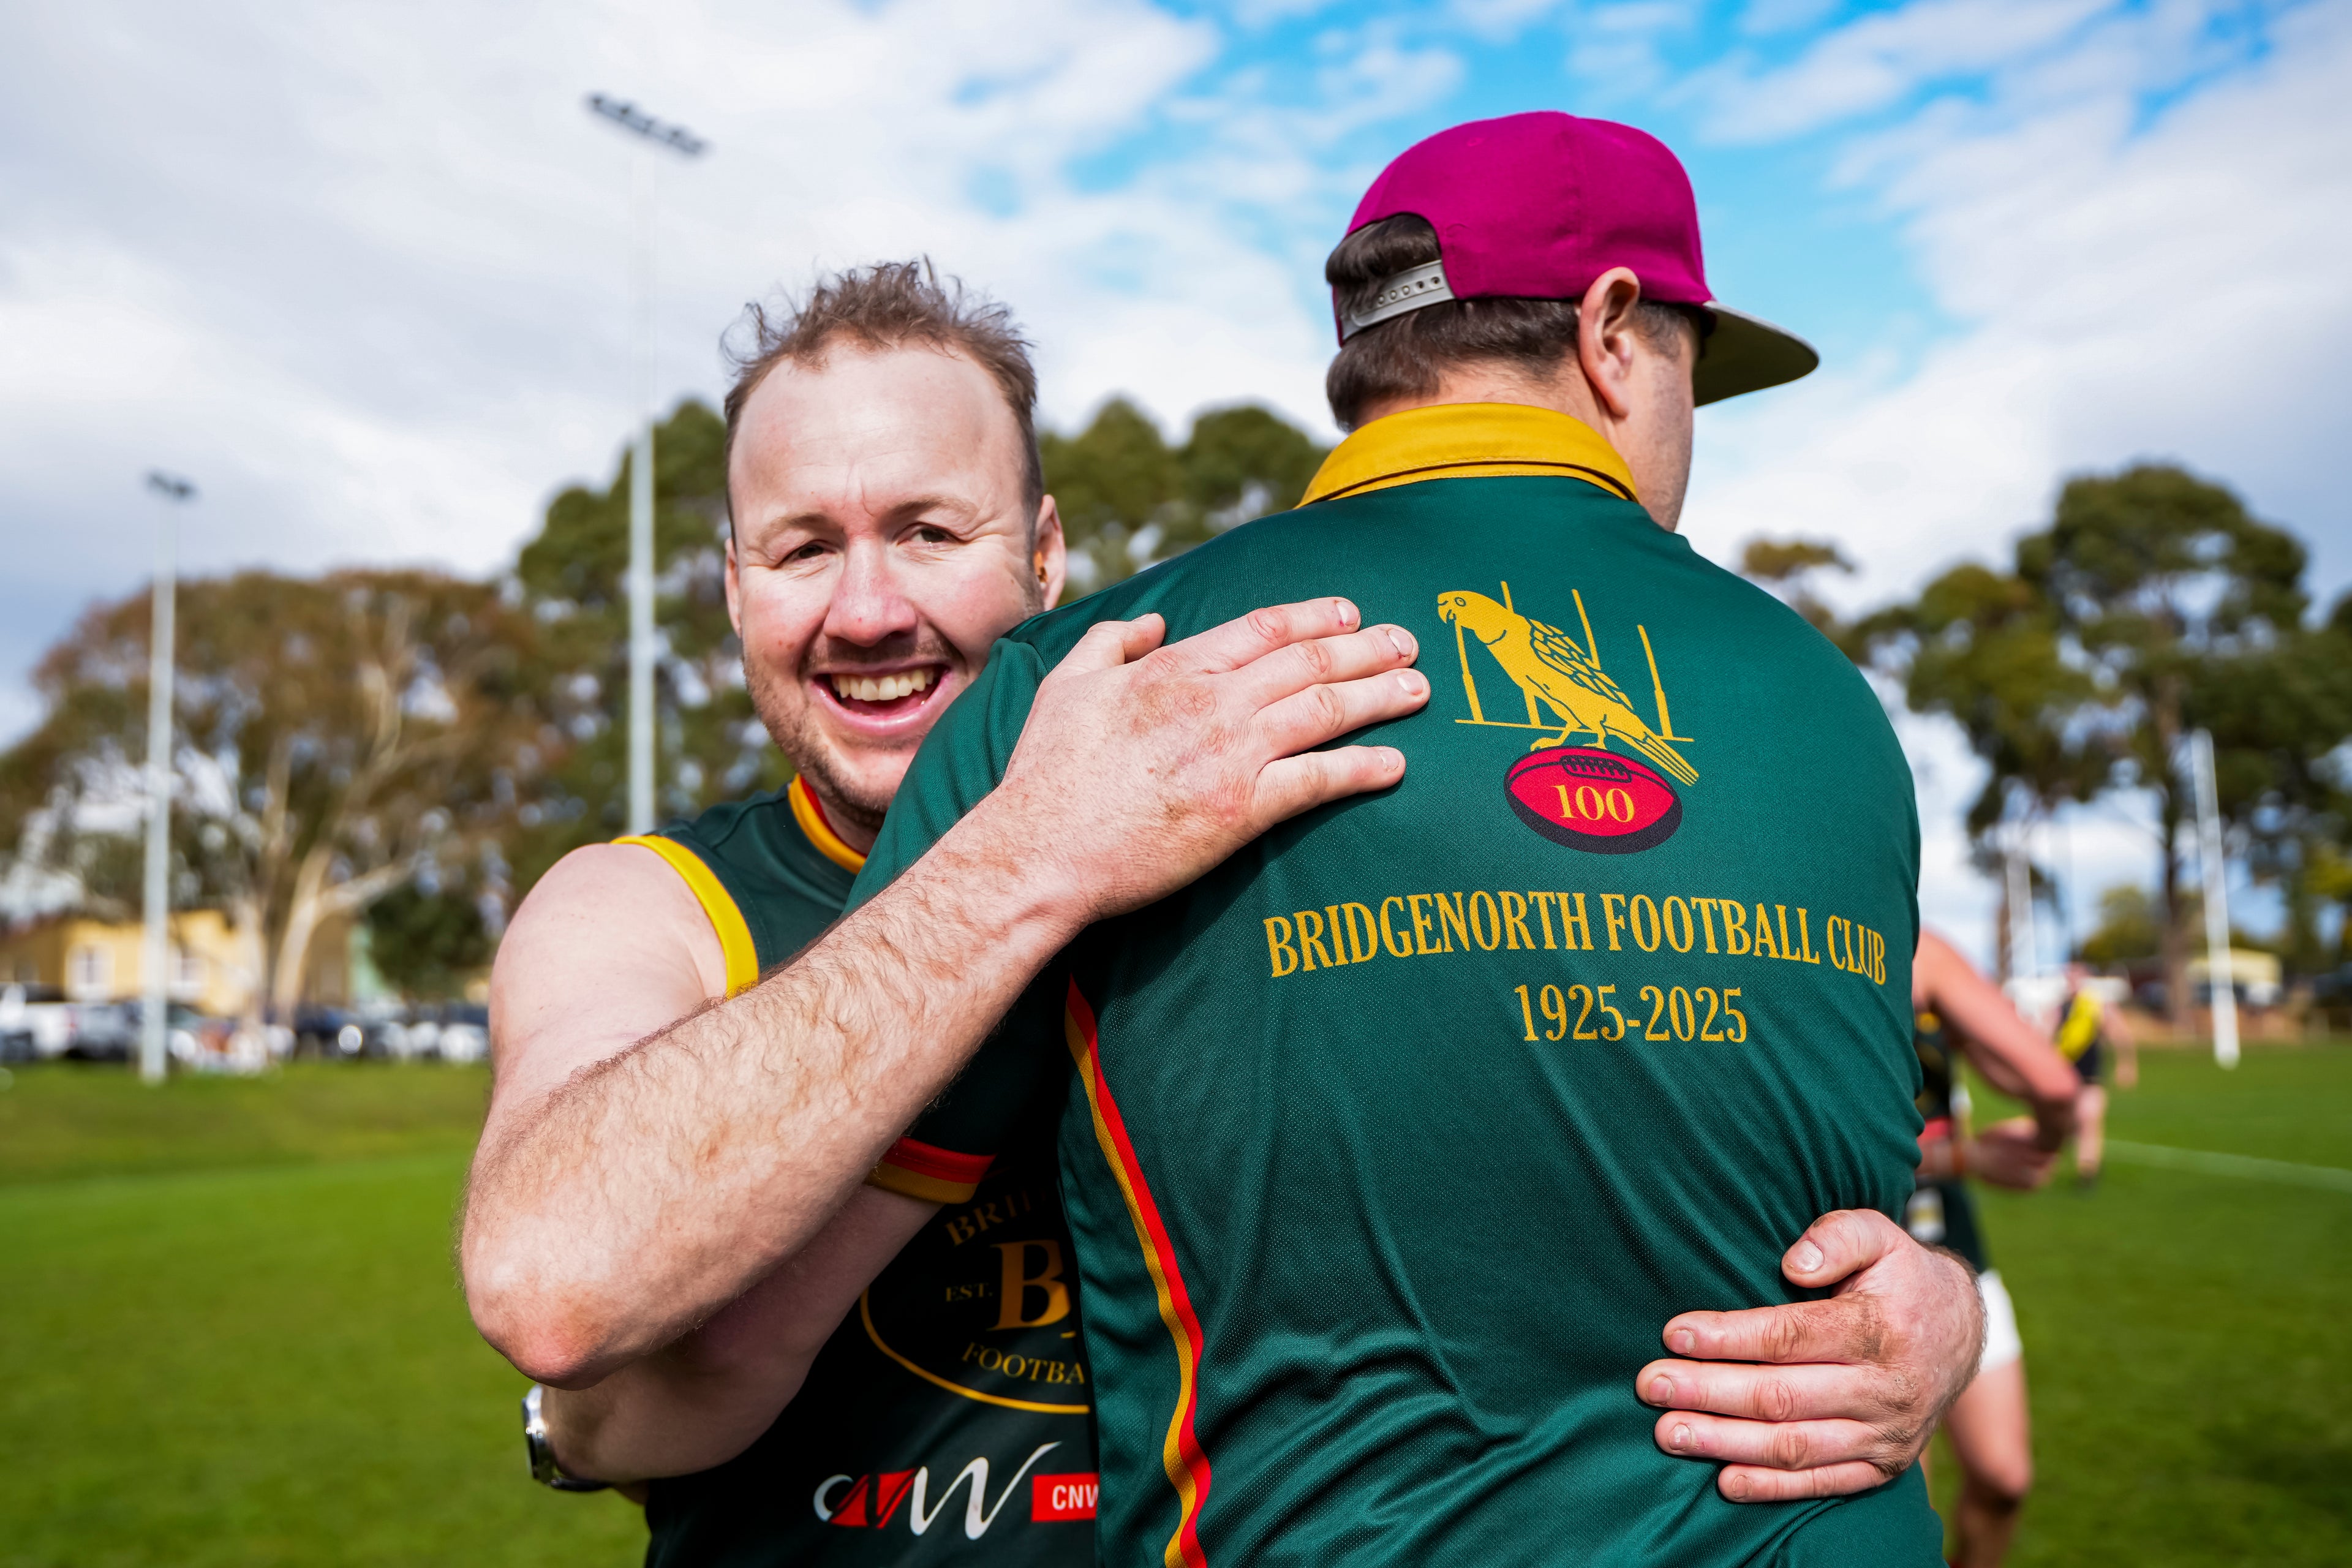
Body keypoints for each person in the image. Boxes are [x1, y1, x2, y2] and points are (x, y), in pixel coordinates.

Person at [464, 241, 1985, 1562]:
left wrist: (1925, 1309)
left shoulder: (1253, 783)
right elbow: (555, 1286)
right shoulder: (650, 903)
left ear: (1045, 553)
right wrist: (1024, 855)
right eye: (804, 549)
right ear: (733, 587)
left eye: (930, 531)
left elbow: (1599, 1144)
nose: (869, 608)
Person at [1907, 932, 2082, 1567]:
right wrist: (1969, 1157)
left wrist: (2046, 1136)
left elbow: (2049, 1082)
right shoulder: (1795, 945)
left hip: (1956, 1248)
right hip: (1863, 1264)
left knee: (2005, 1477)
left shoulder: (1918, 946)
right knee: (1904, 1510)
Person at [2053, 960, 2134, 1182]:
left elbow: (2120, 1034)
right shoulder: (2059, 1008)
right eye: (2069, 976)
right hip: (2065, 1076)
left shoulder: (2096, 1006)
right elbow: (2044, 1038)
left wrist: (2126, 1065)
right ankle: (2076, 1160)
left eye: (2076, 976)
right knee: (2069, 1124)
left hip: (2091, 1075)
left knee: (2090, 1120)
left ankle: (2087, 1173)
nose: (2072, 981)